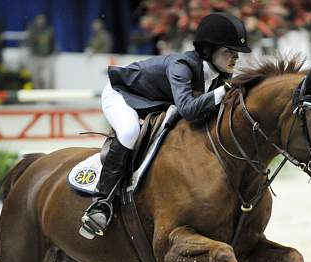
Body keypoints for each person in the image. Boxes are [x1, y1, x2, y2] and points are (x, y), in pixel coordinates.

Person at [80, 12, 252, 239]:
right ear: (209, 50)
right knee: (130, 131)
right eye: (229, 51)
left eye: (236, 53)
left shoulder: (219, 76)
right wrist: (224, 91)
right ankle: (102, 203)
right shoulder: (182, 66)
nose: (235, 58)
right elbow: (189, 109)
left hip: (154, 101)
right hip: (121, 94)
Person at [25, 14, 56, 89]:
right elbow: (29, 42)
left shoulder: (49, 30)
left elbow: (52, 42)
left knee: (47, 78)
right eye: (39, 19)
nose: (41, 21)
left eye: (42, 20)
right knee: (36, 77)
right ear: (36, 20)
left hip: (46, 57)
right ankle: (37, 94)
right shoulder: (32, 30)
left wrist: (53, 51)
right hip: (36, 57)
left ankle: (46, 95)